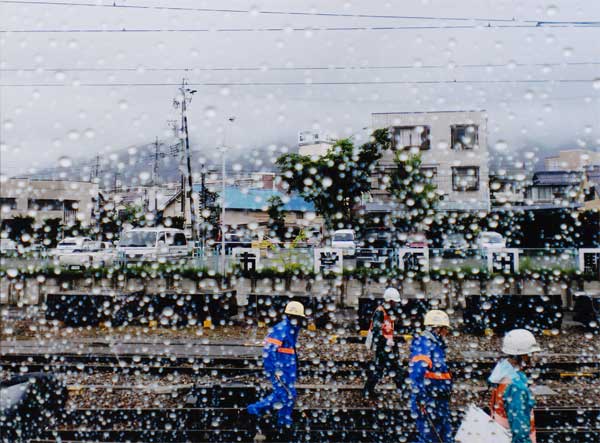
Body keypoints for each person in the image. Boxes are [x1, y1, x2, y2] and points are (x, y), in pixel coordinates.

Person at [247, 300, 305, 436]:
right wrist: (275, 371)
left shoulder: (291, 329)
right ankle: (254, 410)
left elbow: (289, 351)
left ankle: (284, 422)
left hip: (287, 370)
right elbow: (268, 352)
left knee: (289, 396)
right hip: (280, 371)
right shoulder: (282, 328)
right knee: (283, 395)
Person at [488, 329, 540, 443]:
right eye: (532, 353)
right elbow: (520, 429)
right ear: (524, 356)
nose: (534, 357)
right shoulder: (517, 387)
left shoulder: (500, 376)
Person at [409, 309, 453, 443]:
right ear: (437, 329)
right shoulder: (424, 345)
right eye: (446, 329)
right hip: (429, 401)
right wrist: (421, 399)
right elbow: (417, 374)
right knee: (430, 438)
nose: (447, 333)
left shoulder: (435, 345)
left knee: (442, 437)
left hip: (438, 401)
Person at [363, 287, 404, 399]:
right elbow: (377, 332)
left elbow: (388, 330)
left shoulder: (387, 312)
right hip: (382, 346)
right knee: (394, 369)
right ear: (389, 301)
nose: (396, 304)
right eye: (394, 302)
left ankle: (368, 391)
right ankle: (403, 391)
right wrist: (387, 343)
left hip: (386, 345)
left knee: (381, 369)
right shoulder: (380, 312)